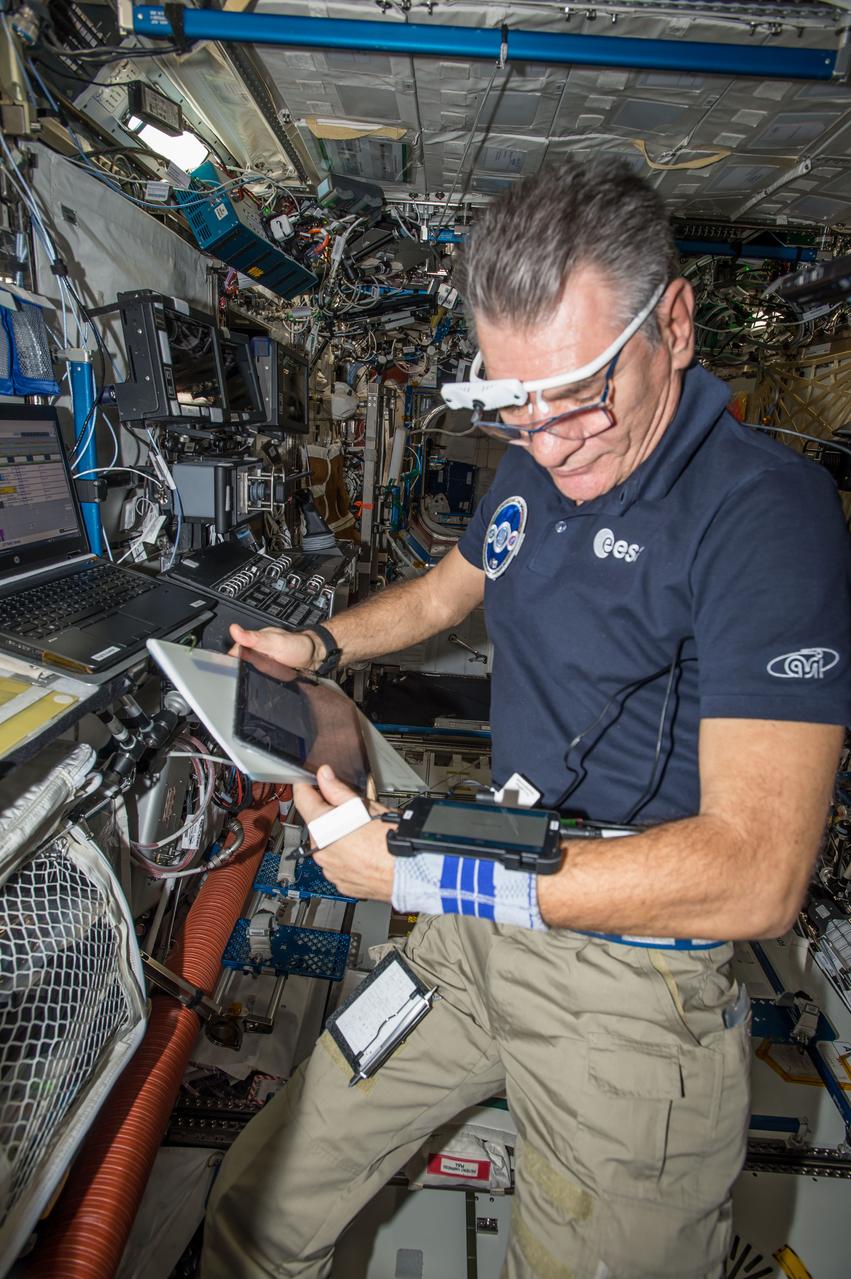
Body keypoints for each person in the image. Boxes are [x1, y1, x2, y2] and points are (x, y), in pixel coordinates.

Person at [201, 158, 850, 1279]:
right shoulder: (534, 462)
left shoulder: (764, 519)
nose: (546, 439)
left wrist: (422, 873)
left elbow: (756, 877)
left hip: (628, 988)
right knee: (255, 1209)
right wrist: (318, 647)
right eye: (511, 401)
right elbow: (447, 592)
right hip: (475, 935)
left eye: (579, 393)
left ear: (674, 326)